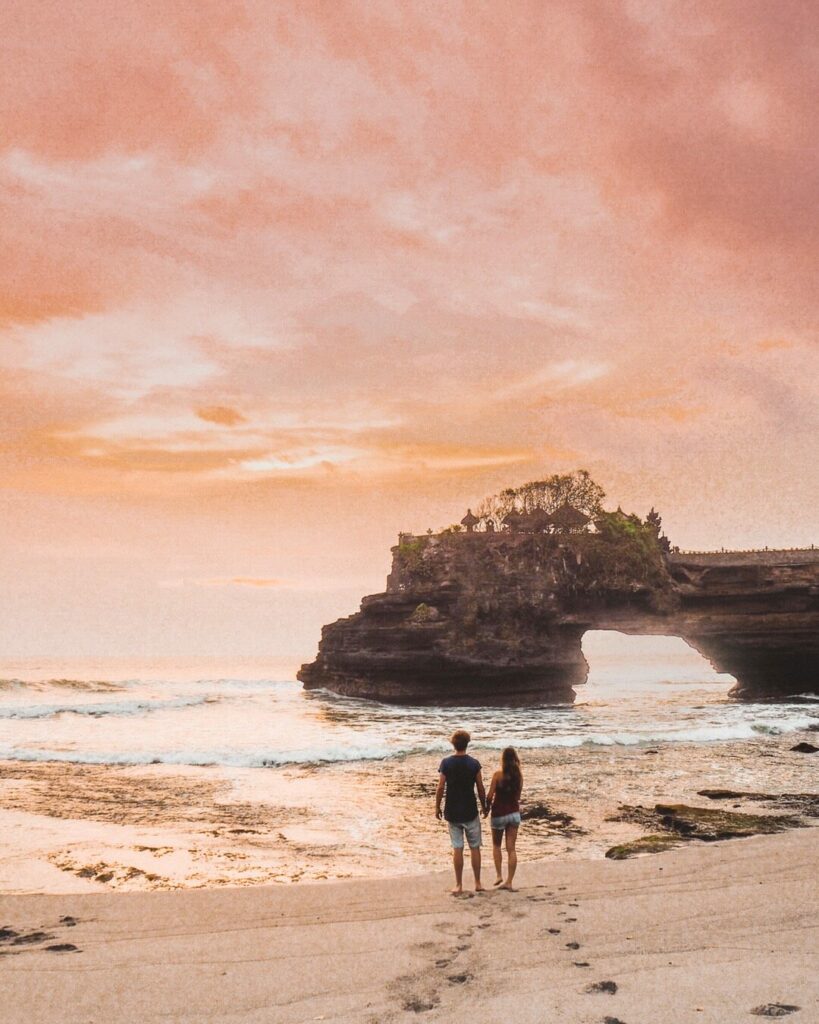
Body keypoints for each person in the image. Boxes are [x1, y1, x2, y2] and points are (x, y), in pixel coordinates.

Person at [435, 729, 487, 895]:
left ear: (453, 744)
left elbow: (441, 787)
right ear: (467, 743)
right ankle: (478, 882)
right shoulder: (474, 763)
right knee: (475, 847)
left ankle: (458, 884)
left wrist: (437, 806)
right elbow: (480, 787)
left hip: (452, 810)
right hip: (470, 810)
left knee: (457, 847)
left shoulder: (446, 763)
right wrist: (485, 806)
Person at [484, 747, 522, 890]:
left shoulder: (497, 775)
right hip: (514, 814)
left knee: (496, 846)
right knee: (511, 849)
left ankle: (499, 875)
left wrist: (486, 808)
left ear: (503, 760)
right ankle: (509, 882)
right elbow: (518, 797)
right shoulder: (519, 777)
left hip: (499, 814)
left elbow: (489, 796)